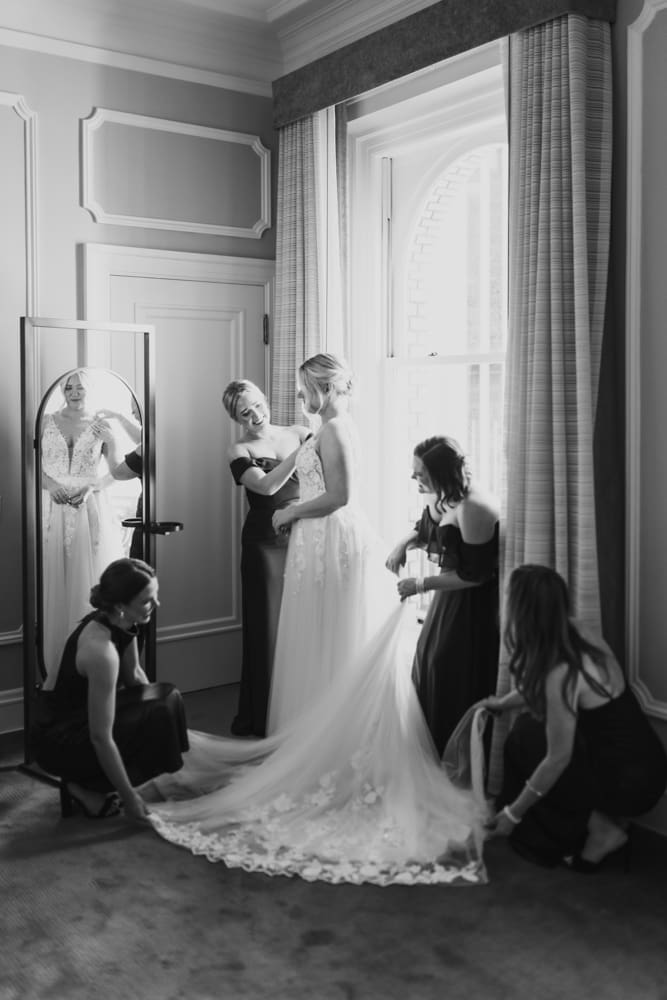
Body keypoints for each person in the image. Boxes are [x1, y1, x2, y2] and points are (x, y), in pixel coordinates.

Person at [146, 355, 487, 887]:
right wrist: (289, 507)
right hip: (312, 542)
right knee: (312, 640)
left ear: (324, 388)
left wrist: (287, 513)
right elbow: (282, 482)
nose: (295, 395)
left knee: (334, 638)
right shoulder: (313, 429)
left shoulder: (333, 427)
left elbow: (341, 497)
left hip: (328, 539)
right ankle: (313, 743)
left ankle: (339, 754)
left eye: (305, 386)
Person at [481, 564, 667, 870]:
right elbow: (534, 686)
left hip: (631, 783)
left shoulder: (561, 672)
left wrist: (513, 814)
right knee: (527, 731)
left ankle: (601, 831)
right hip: (646, 762)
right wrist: (503, 703)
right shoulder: (574, 631)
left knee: (531, 744)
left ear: (523, 611)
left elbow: (557, 759)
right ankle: (591, 820)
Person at [30, 558, 189, 822]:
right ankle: (81, 785)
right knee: (157, 719)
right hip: (57, 740)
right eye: (147, 600)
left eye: (155, 596)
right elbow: (100, 738)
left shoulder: (119, 621)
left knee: (166, 699)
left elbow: (137, 678)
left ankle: (94, 780)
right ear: (121, 606)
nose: (156, 605)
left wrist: (168, 731)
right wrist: (130, 798)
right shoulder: (100, 652)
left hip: (78, 721)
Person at [386, 436, 499, 756]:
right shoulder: (444, 497)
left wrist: (420, 584)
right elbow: (423, 531)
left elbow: (476, 576)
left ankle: (455, 754)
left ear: (442, 474)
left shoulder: (475, 507)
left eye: (420, 473)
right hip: (448, 600)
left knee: (450, 670)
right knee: (429, 662)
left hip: (470, 607)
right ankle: (430, 752)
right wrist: (402, 545)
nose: (414, 479)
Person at [223, 379, 310, 737]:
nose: (255, 415)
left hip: (305, 533)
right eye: (245, 412)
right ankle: (263, 716)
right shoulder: (238, 449)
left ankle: (303, 707)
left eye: (257, 405)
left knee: (305, 621)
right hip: (264, 542)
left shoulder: (300, 431)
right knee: (266, 627)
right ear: (236, 417)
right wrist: (303, 452)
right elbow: (267, 486)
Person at [40, 369, 126, 674]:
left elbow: (117, 471)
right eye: (70, 387)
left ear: (91, 391)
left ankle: (93, 665)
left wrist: (92, 485)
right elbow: (29, 463)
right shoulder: (46, 421)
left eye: (81, 388)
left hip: (90, 506)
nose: (75, 393)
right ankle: (57, 665)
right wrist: (50, 485)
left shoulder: (102, 426)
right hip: (54, 506)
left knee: (89, 577)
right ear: (63, 390)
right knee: (54, 579)